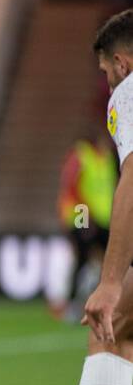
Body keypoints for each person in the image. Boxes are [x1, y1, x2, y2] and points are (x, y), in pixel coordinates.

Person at [17, 9, 133, 385]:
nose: (107, 83)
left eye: (107, 72)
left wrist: (109, 281)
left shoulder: (130, 93)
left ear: (123, 62)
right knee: (122, 332)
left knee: (109, 326)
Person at [56, 131, 115, 320]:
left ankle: (103, 301)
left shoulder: (106, 158)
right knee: (82, 258)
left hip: (103, 218)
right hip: (82, 216)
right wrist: (86, 214)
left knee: (111, 260)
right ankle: (72, 306)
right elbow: (72, 187)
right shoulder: (81, 155)